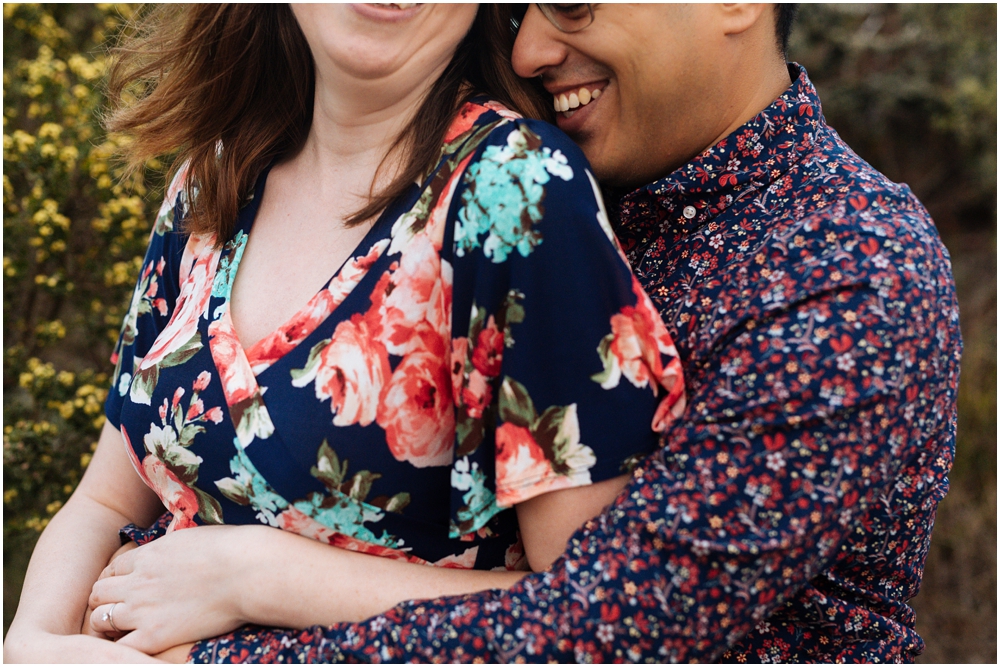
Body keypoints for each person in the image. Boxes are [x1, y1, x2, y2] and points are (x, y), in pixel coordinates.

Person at [174, 4, 962, 663]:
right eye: (521, 7)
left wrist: (226, 619)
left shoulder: (848, 264)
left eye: (574, 2)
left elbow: (612, 629)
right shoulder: (518, 192)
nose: (529, 48)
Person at [2, 4, 688, 663]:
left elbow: (592, 617)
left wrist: (262, 573)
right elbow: (105, 497)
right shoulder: (214, 176)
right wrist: (33, 639)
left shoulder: (517, 192)